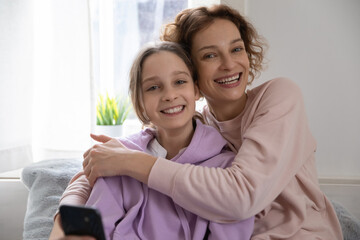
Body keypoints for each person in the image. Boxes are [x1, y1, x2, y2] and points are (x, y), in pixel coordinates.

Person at [51, 4, 343, 240]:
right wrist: (65, 222)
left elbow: (241, 196)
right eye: (210, 55)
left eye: (237, 49)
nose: (229, 64)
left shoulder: (279, 97)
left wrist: (131, 162)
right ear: (193, 75)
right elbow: (93, 171)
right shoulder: (194, 125)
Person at [50, 42, 254, 239]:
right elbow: (97, 229)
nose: (169, 95)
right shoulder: (117, 161)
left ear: (196, 89)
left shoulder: (226, 169)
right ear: (140, 101)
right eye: (154, 87)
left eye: (180, 82)